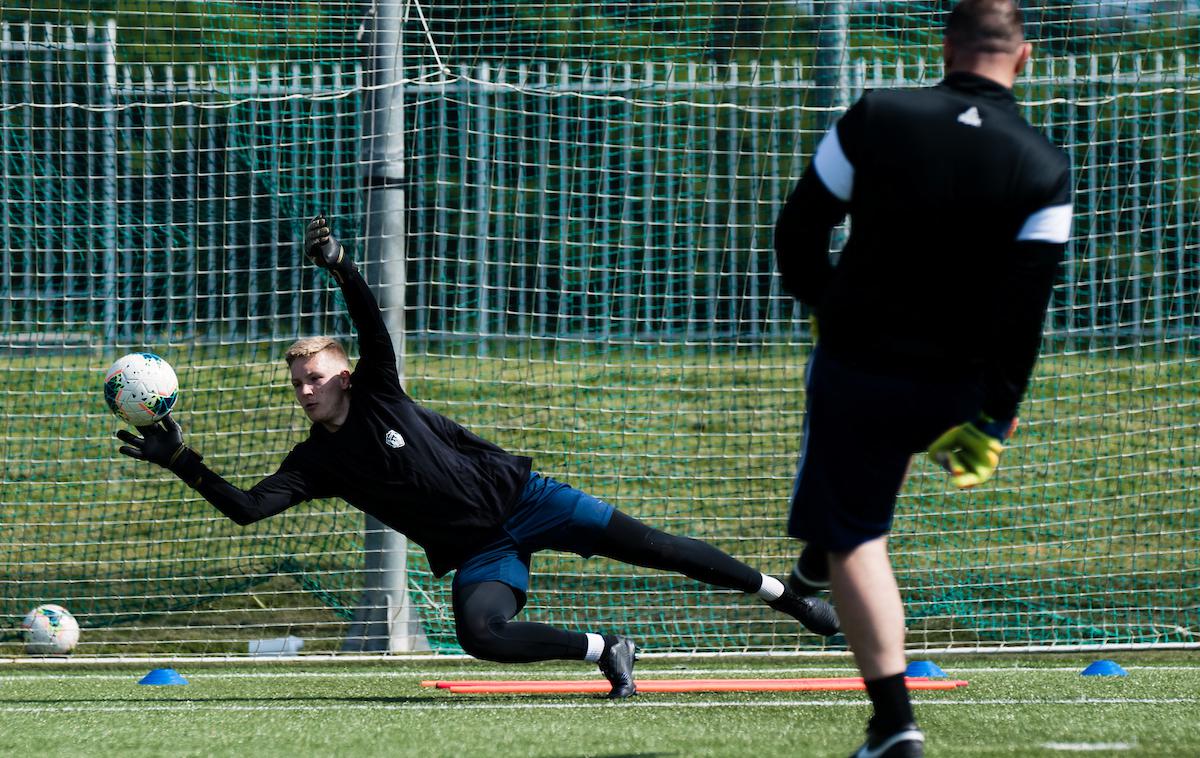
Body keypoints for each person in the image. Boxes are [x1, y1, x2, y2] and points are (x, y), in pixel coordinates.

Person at [116, 214, 839, 697]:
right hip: (482, 548)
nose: (305, 388)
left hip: (531, 500)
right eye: (297, 380)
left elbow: (371, 322)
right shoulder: (317, 462)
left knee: (656, 547)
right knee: (480, 635)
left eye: (316, 375)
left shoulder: (378, 392)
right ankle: (605, 649)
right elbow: (248, 509)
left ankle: (790, 597)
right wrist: (184, 462)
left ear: (342, 373)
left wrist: (341, 267)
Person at [773, 1, 1071, 755]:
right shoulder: (1044, 165)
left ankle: (895, 724)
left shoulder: (878, 116)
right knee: (874, 483)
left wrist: (823, 304)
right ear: (1024, 57)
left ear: (947, 48)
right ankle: (831, 539)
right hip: (958, 380)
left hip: (861, 360)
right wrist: (996, 418)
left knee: (854, 537)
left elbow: (799, 227)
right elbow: (1025, 307)